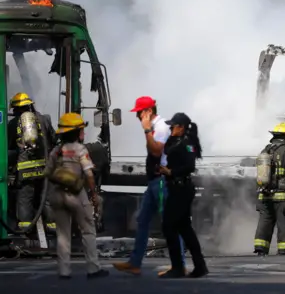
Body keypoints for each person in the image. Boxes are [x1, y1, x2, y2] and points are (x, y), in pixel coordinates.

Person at [113, 96, 185, 276]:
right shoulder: (157, 127)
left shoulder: (160, 127)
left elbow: (156, 150)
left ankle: (179, 265)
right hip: (155, 181)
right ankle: (135, 263)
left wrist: (146, 131)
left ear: (148, 112)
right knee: (142, 220)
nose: (137, 116)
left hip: (162, 182)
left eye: (139, 113)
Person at [44, 112, 109, 279]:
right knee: (88, 230)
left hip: (57, 195)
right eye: (81, 129)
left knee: (63, 234)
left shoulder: (56, 151)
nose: (83, 132)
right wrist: (93, 194)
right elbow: (89, 174)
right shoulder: (80, 150)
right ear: (76, 132)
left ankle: (64, 271)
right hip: (76, 195)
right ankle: (93, 269)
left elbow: (48, 173)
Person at [158, 112, 208, 278]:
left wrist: (171, 172)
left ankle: (178, 267)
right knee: (184, 228)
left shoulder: (187, 143)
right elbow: (166, 150)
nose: (171, 128)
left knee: (169, 226)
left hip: (182, 188)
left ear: (181, 127)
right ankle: (199, 266)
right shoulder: (177, 140)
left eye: (174, 126)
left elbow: (189, 166)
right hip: (175, 188)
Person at [8, 92, 57, 232]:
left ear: (17, 109)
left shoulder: (13, 123)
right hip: (45, 167)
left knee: (25, 197)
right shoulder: (44, 119)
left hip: (25, 168)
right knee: (46, 197)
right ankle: (52, 226)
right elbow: (53, 139)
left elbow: (8, 145)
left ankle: (25, 227)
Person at [254, 123, 285, 256]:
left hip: (264, 195)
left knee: (265, 221)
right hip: (281, 196)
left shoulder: (265, 150)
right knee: (284, 223)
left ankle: (260, 248)